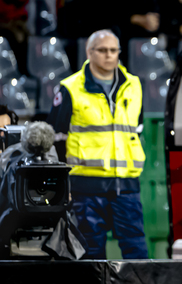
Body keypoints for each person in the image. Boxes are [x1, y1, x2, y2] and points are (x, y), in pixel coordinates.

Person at [46, 29, 148, 259]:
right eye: (102, 50)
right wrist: (64, 186)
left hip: (126, 184)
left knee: (136, 249)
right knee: (90, 252)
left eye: (114, 50)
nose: (109, 55)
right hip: (86, 187)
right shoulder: (70, 88)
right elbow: (56, 140)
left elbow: (137, 130)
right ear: (89, 52)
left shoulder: (134, 85)